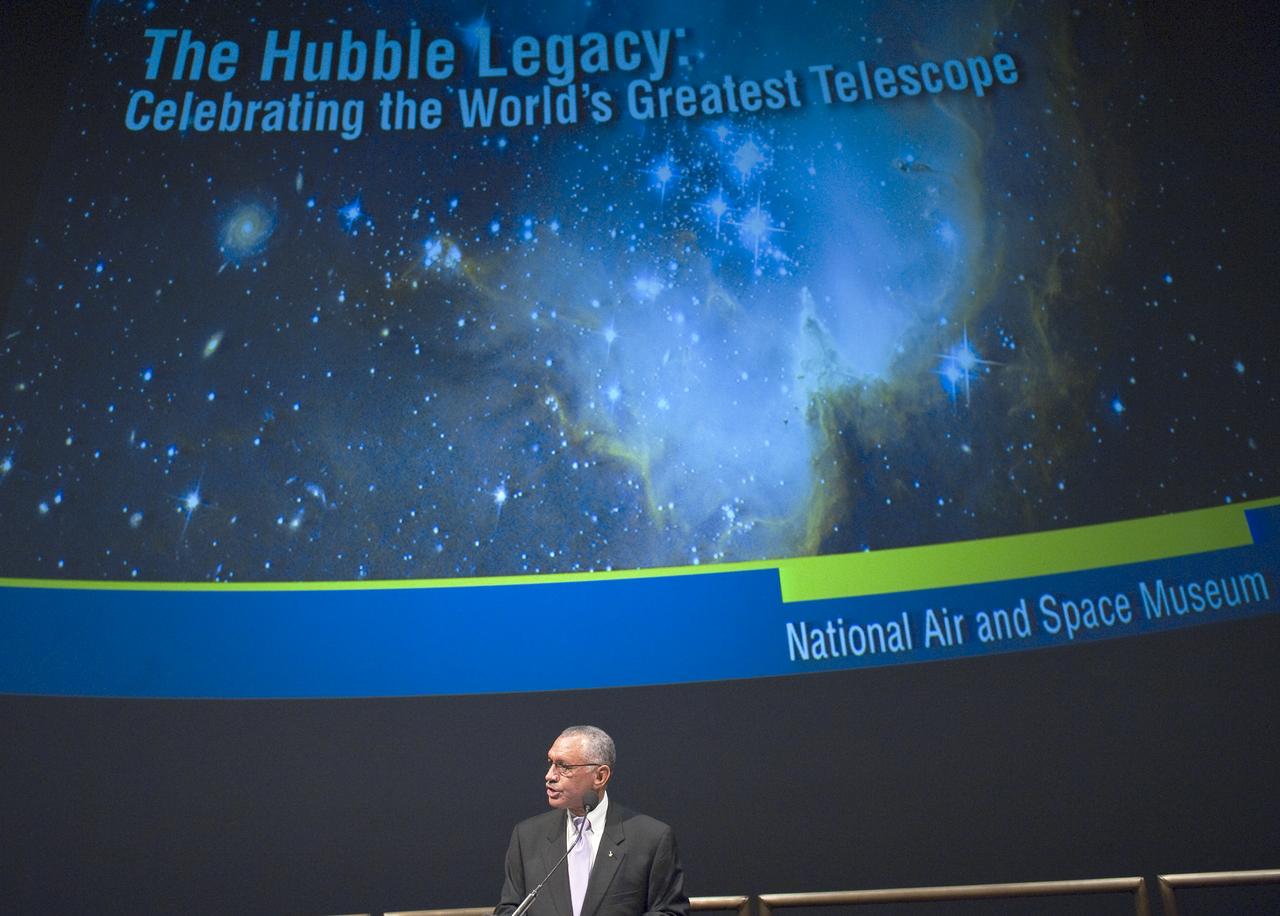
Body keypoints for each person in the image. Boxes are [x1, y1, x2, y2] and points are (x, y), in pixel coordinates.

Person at [494, 726, 690, 916]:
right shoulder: (527, 837)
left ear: (600, 776)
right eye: (551, 763)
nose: (550, 776)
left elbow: (670, 912)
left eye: (564, 766)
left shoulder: (651, 839)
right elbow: (509, 909)